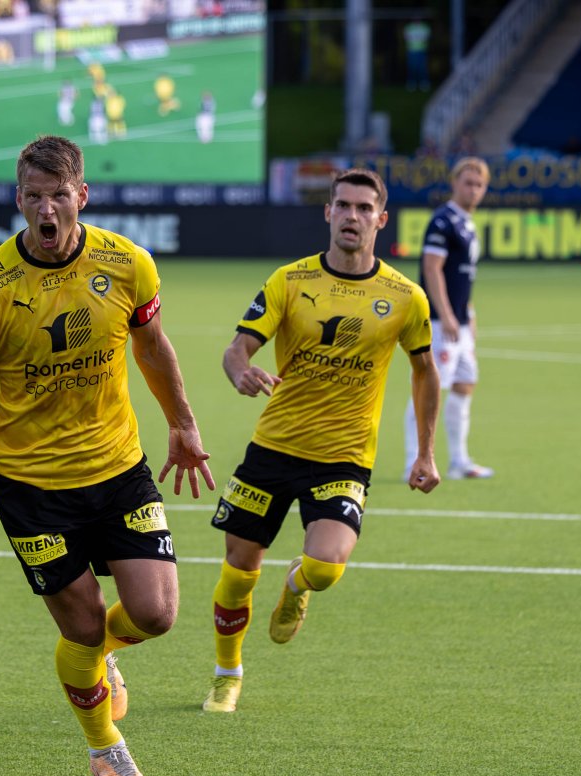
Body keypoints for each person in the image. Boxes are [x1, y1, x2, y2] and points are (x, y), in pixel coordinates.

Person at [0, 135, 214, 776]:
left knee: (157, 612)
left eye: (59, 195)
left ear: (82, 195)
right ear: (19, 199)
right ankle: (103, 744)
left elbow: (152, 347)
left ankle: (98, 659)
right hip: (30, 484)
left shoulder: (127, 264)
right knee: (83, 624)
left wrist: (183, 423)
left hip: (116, 466)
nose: (47, 210)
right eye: (34, 197)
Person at [203, 168, 441, 714]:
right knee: (238, 575)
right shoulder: (289, 281)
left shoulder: (405, 297)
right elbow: (237, 349)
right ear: (327, 212)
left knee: (327, 567)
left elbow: (425, 371)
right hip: (273, 449)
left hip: (344, 456)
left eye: (364, 208)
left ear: (381, 219)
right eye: (343, 206)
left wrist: (425, 451)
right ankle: (226, 673)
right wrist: (239, 371)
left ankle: (297, 583)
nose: (353, 216)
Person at [403, 156, 493, 480]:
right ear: (455, 183)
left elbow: (462, 278)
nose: (473, 190)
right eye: (468, 182)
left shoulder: (467, 224)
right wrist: (446, 315)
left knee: (465, 384)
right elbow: (431, 268)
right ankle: (413, 462)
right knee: (430, 387)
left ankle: (459, 460)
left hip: (460, 323)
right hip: (440, 324)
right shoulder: (442, 221)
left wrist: (468, 315)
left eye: (479, 185)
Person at [403, 19, 431, 91]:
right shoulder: (408, 27)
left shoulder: (425, 27)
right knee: (412, 67)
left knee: (422, 68)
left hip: (422, 50)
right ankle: (411, 84)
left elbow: (426, 38)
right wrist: (418, 39)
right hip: (411, 51)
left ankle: (424, 84)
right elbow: (406, 38)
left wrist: (416, 39)